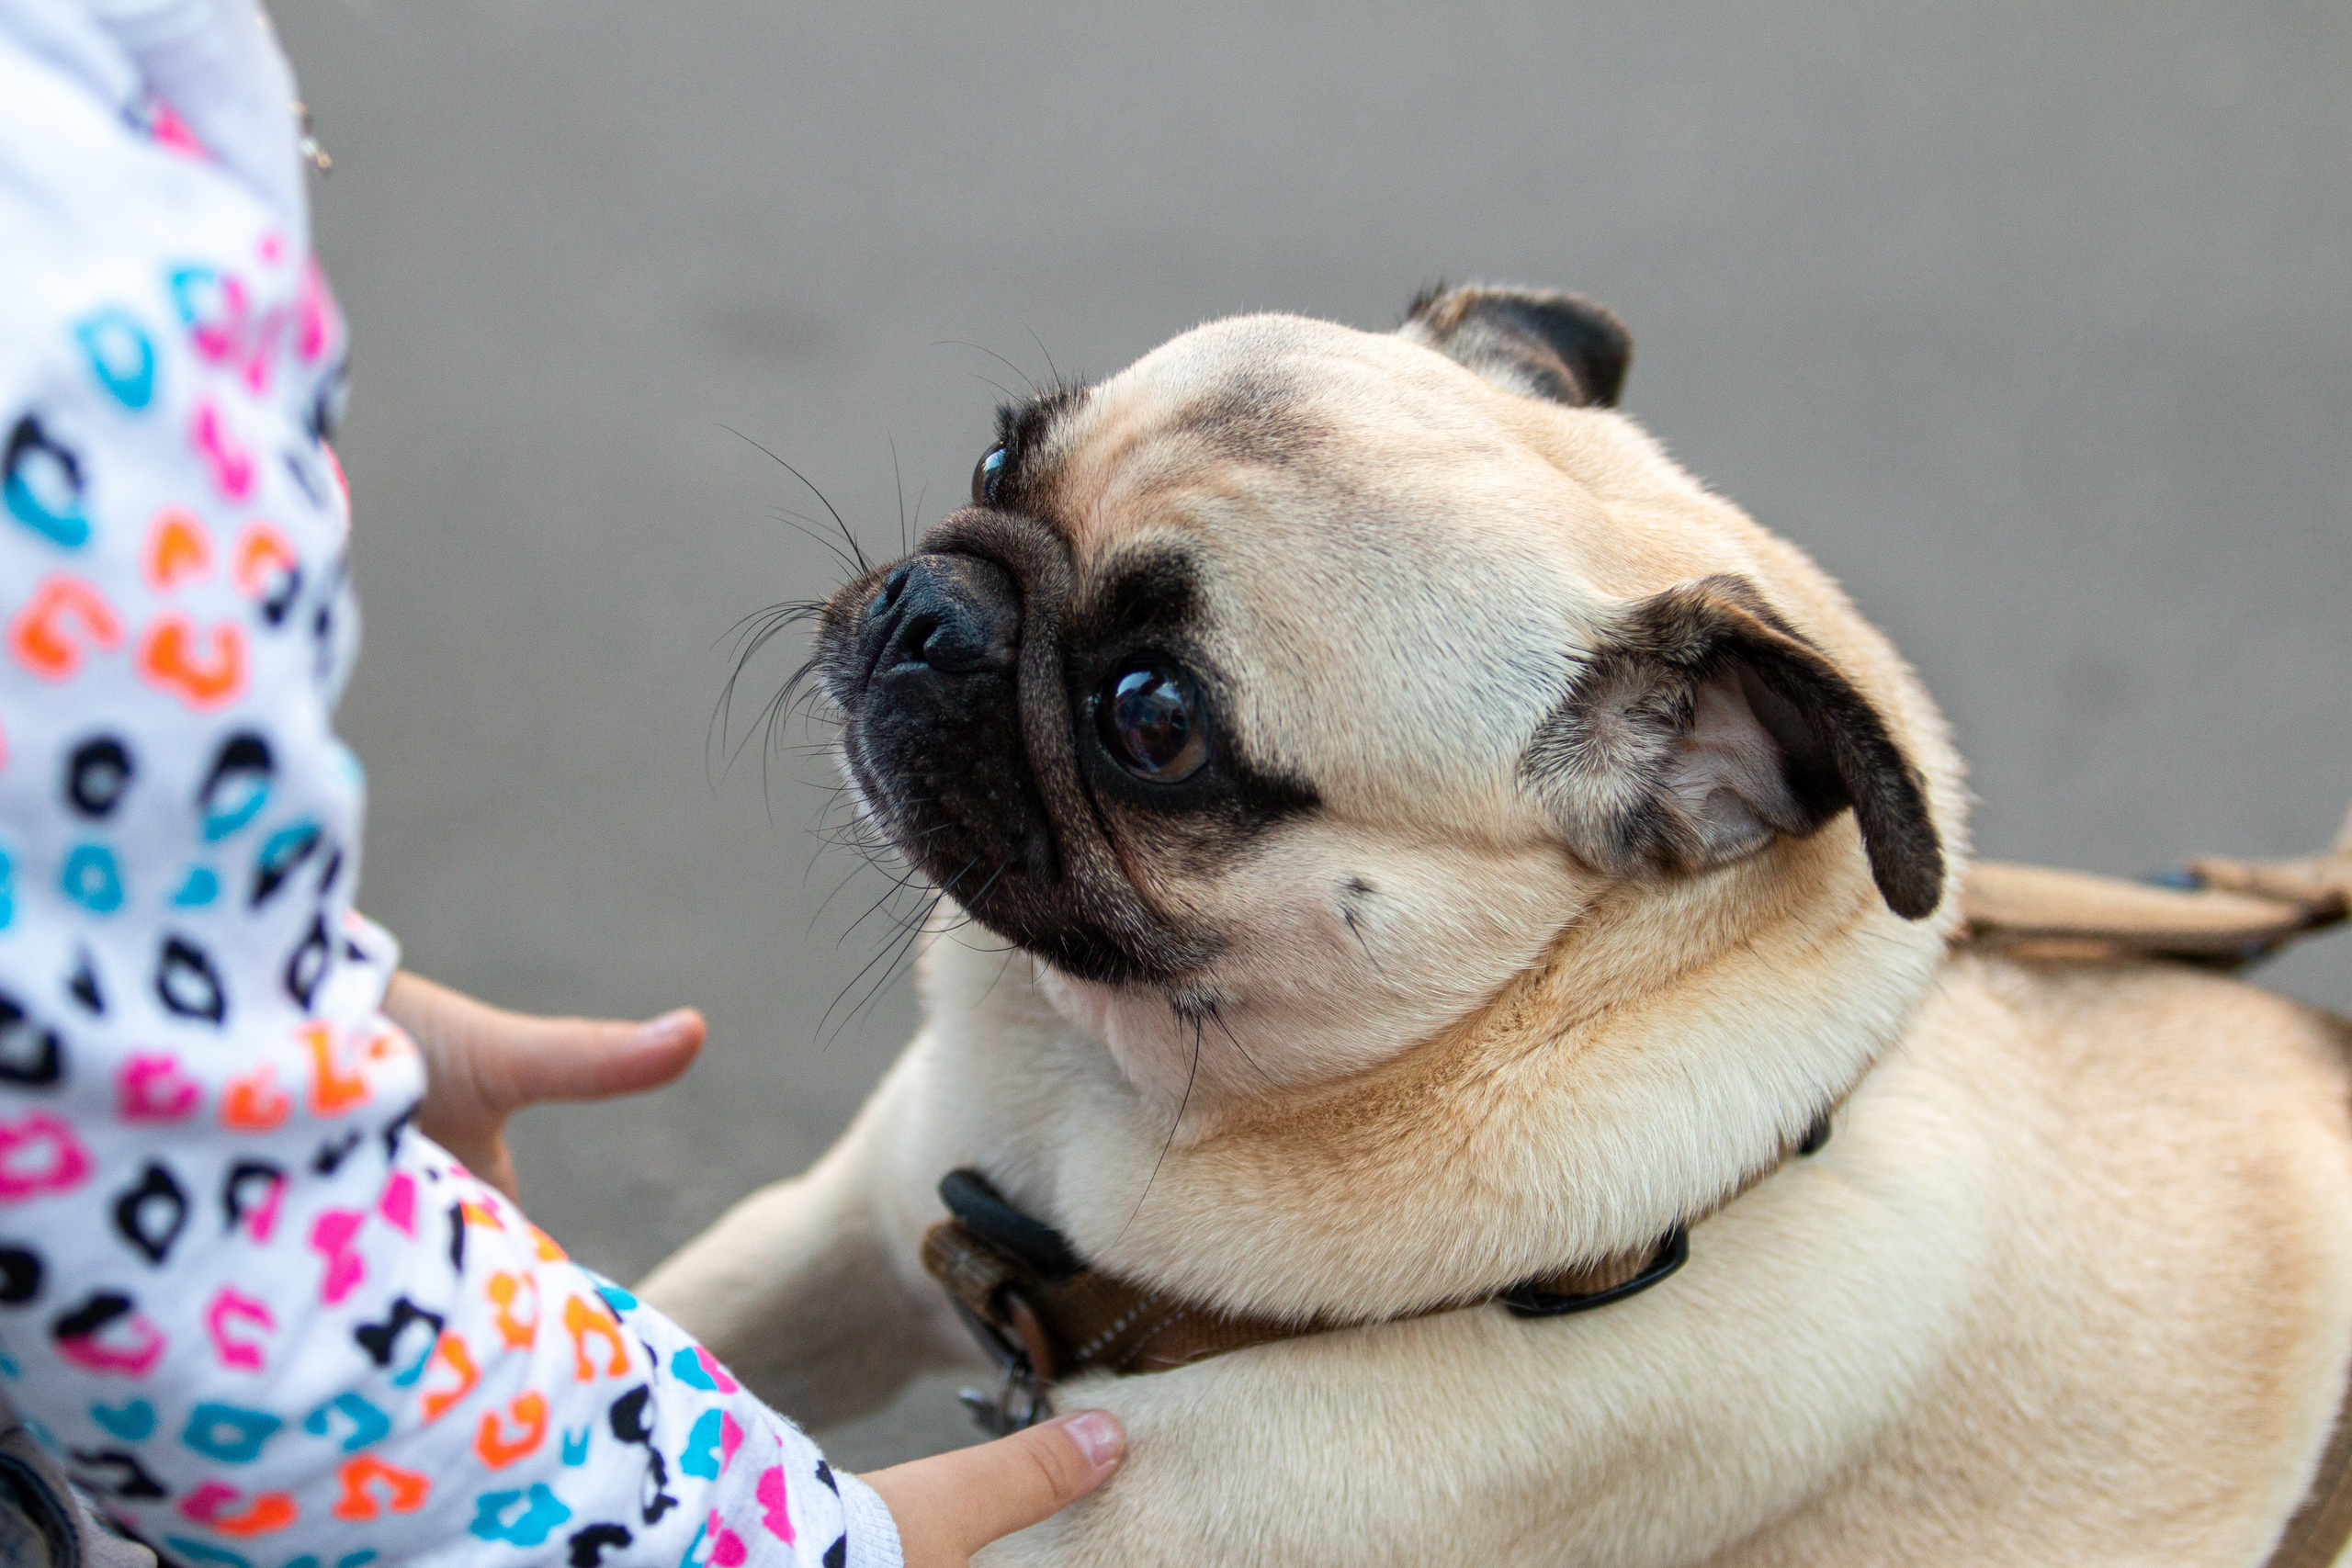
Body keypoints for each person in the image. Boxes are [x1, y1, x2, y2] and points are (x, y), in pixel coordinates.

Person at [0, 2, 1124, 1564]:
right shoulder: (84, 305)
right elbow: (183, 1272)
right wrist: (747, 1541)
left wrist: (291, 1013)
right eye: (1005, 486)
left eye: (1145, 716)